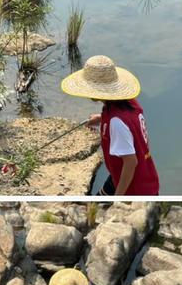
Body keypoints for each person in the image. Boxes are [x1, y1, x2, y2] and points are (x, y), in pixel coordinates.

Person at [61, 55, 159, 195]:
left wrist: (118, 199)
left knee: (101, 213)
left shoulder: (116, 123)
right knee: (95, 204)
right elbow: (128, 123)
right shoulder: (129, 103)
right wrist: (101, 118)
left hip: (135, 190)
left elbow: (131, 162)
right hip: (134, 176)